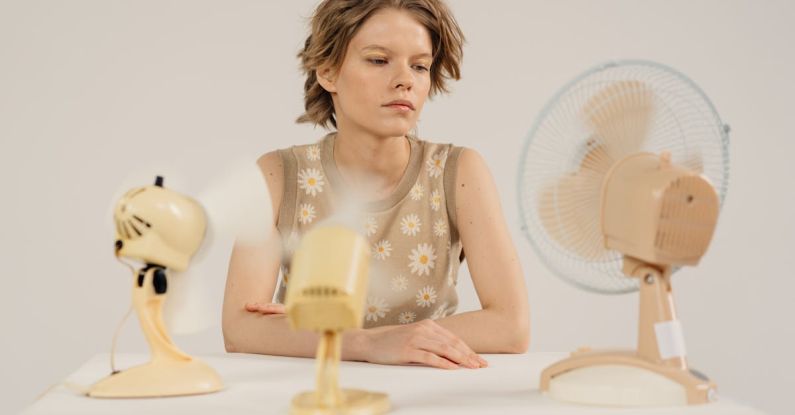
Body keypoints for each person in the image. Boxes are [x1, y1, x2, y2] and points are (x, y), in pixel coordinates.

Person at [222, 0, 528, 370]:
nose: (406, 80)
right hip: (312, 390)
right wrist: (370, 343)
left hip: (429, 390)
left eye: (420, 65)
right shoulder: (277, 176)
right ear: (328, 71)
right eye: (379, 60)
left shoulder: (460, 171)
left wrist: (307, 334)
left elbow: (511, 326)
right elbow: (239, 329)